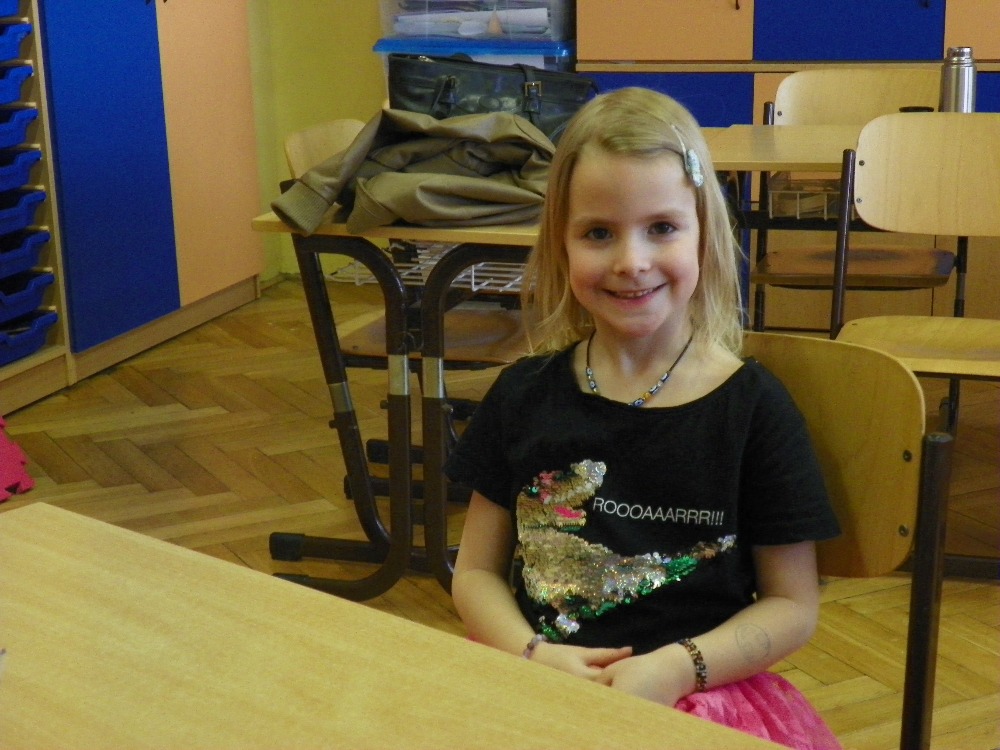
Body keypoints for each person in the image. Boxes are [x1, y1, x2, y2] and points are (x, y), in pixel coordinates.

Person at [444, 87, 843, 749]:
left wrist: (677, 668)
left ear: (704, 234)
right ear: (561, 244)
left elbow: (793, 606)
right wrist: (532, 654)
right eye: (598, 233)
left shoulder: (755, 409)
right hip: (533, 679)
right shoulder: (522, 394)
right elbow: (476, 574)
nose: (631, 261)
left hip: (695, 692)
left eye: (661, 228)